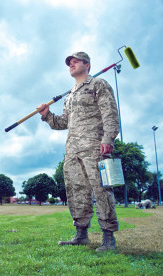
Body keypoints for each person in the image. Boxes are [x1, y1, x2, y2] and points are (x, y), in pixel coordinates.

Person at [37, 52, 120, 252]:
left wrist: (108, 138)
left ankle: (108, 238)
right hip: (72, 149)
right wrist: (47, 115)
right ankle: (81, 234)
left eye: (76, 62)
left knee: (101, 189)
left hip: (94, 145)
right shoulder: (70, 95)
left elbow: (110, 113)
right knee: (76, 191)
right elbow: (63, 123)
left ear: (87, 65)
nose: (71, 65)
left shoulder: (98, 84)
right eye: (69, 63)